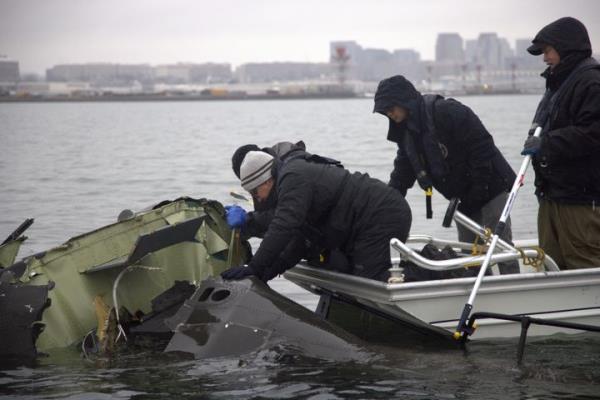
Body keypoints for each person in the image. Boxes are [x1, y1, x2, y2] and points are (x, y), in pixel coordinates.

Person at [373, 75, 519, 274]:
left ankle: (511, 290)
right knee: (469, 254)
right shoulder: (406, 133)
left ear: (403, 101)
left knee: (501, 246)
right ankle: (480, 293)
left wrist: (479, 188)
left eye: (391, 108)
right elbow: (402, 171)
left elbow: (482, 146)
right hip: (462, 196)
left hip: (491, 186)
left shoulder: (446, 111)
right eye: (385, 111)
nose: (389, 114)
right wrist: (388, 201)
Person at [220, 150, 412, 282]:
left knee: (371, 280)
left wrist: (254, 267)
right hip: (366, 221)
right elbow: (299, 242)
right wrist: (263, 273)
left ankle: (434, 274)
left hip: (382, 214)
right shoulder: (288, 186)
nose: (258, 199)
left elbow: (283, 226)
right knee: (353, 274)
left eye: (255, 193)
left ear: (265, 181)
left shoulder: (293, 177)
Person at [520, 17, 600, 269]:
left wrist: (546, 144)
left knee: (583, 262)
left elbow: (593, 132)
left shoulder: (590, 81)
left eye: (547, 50)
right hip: (552, 194)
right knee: (549, 263)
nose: (545, 58)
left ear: (566, 48)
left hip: (580, 199)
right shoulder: (557, 83)